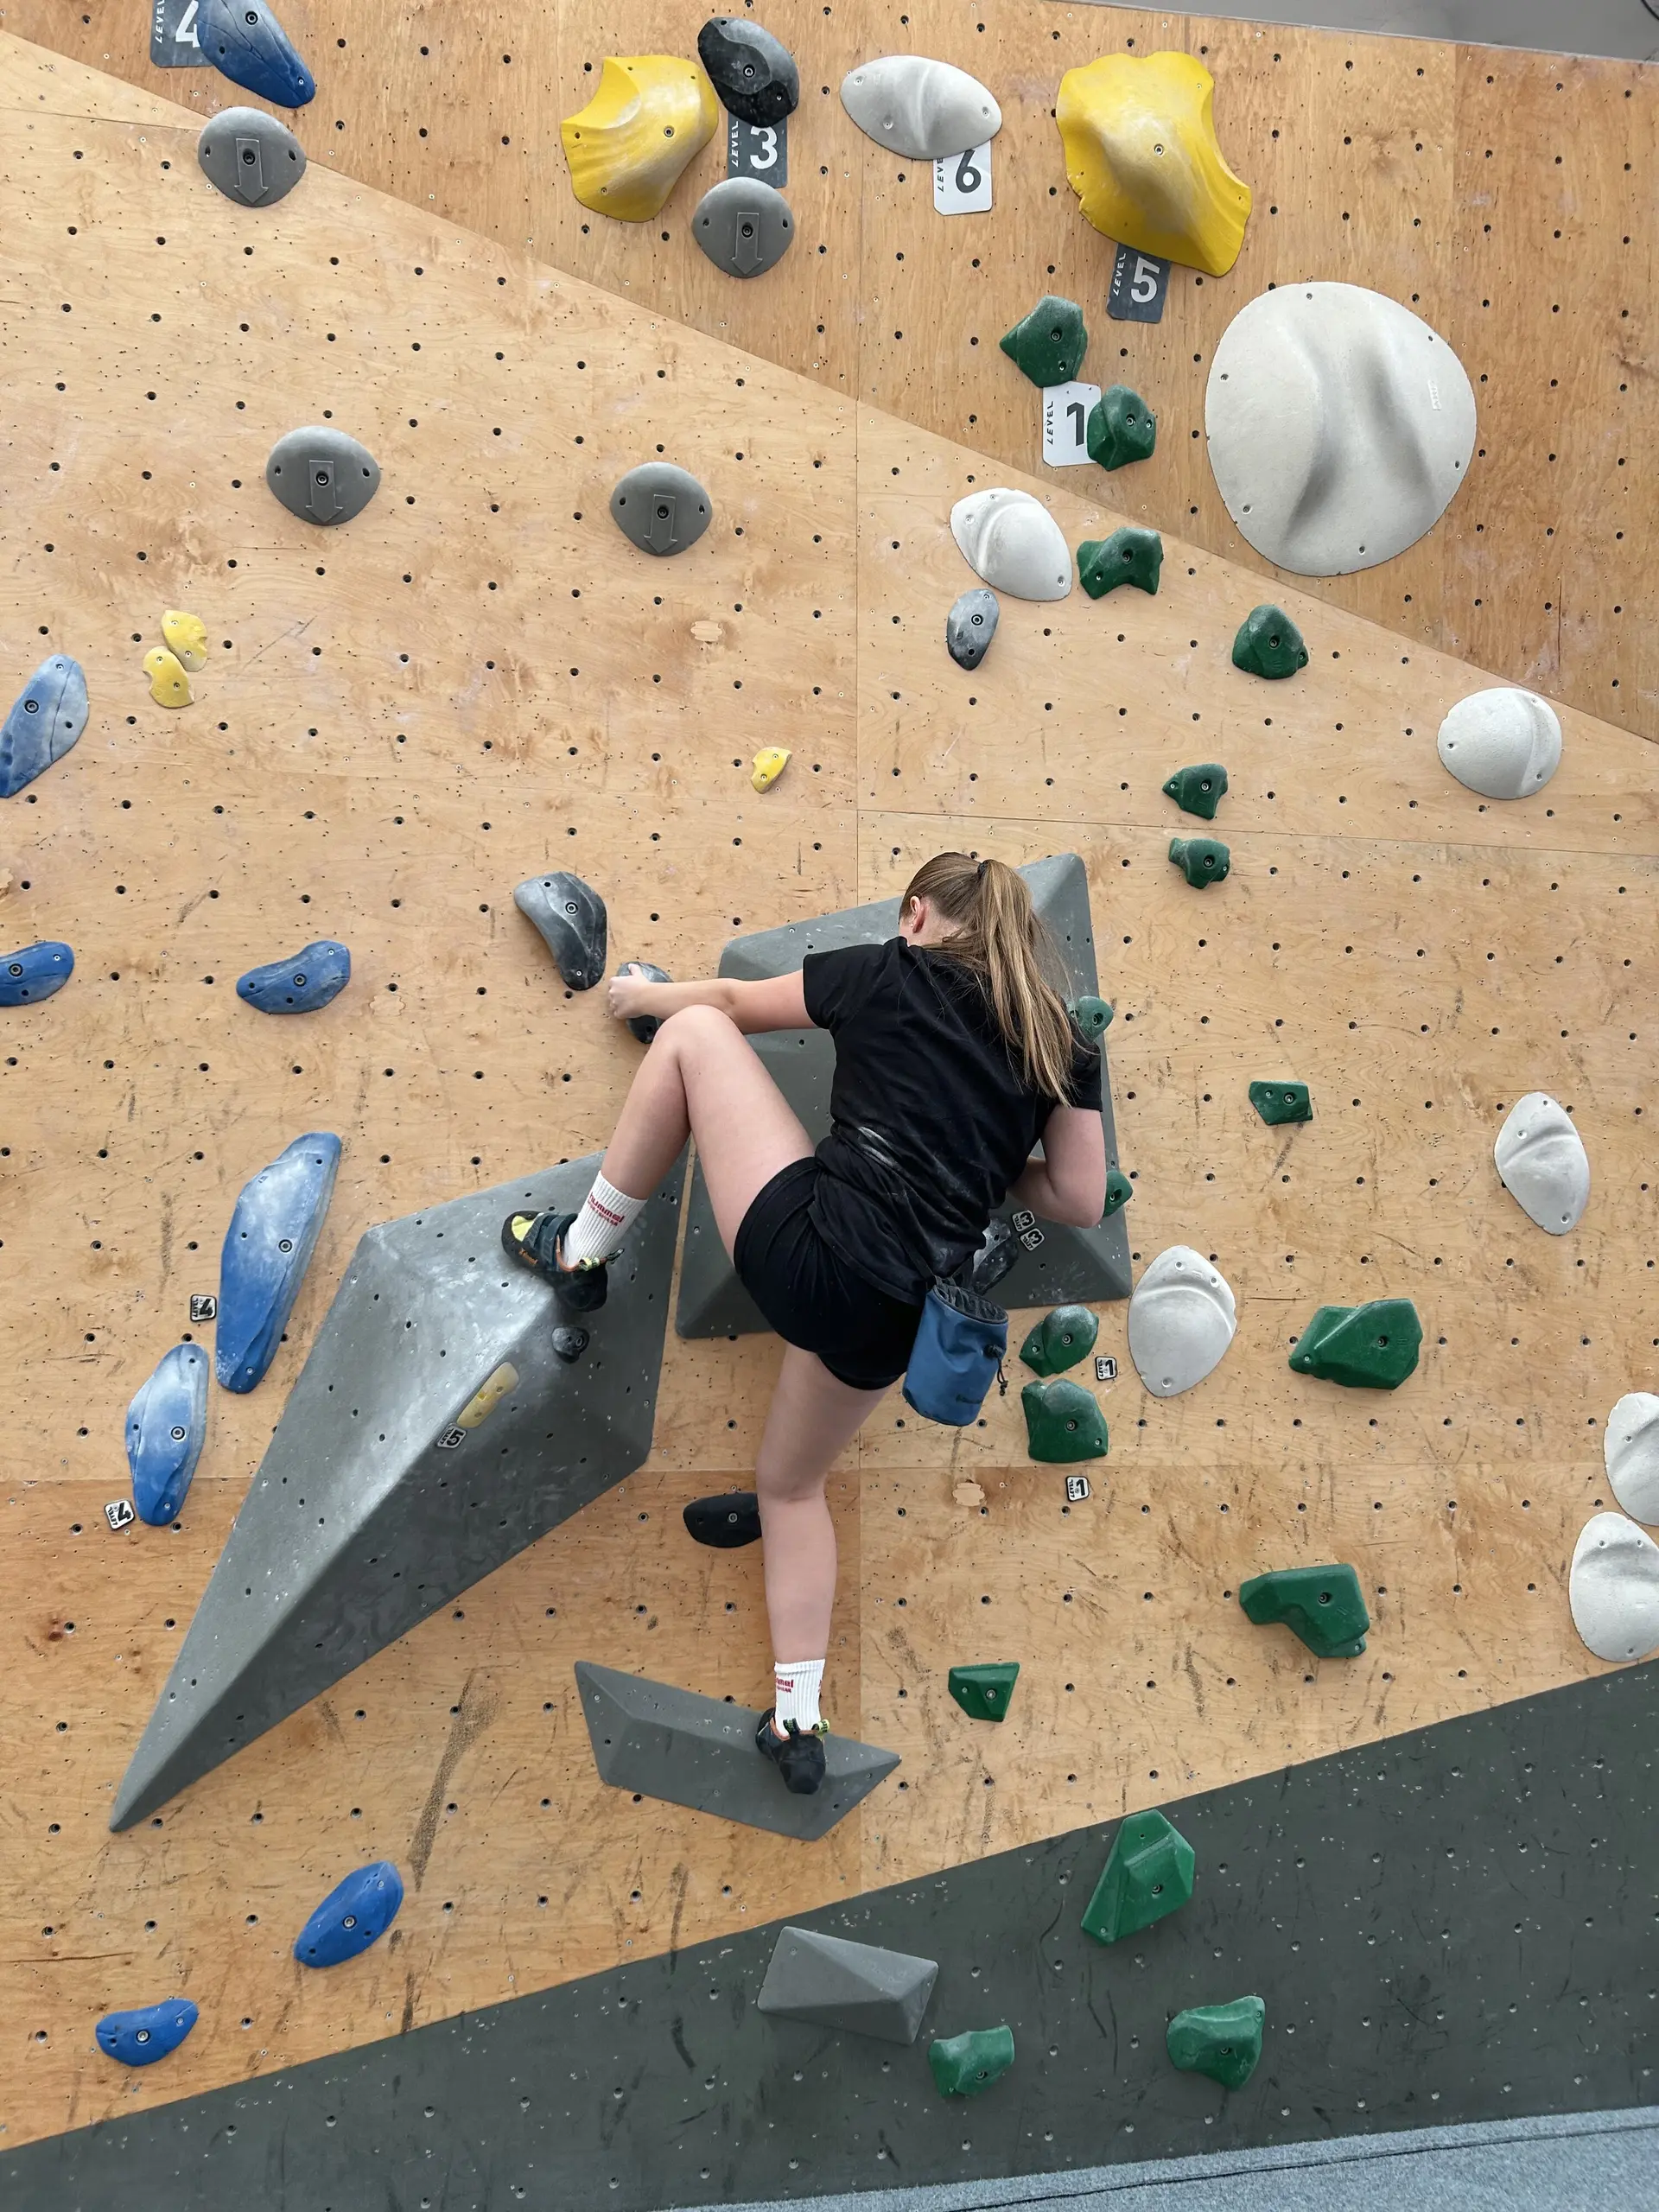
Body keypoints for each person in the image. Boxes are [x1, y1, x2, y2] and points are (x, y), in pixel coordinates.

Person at [502, 854, 1107, 1796]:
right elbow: (1076, 1194)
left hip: (810, 1249)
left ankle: (579, 1253)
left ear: (917, 914)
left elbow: (736, 1007)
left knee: (694, 1036)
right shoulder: (1062, 1044)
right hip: (900, 1321)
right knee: (790, 1490)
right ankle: (797, 1719)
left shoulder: (891, 968)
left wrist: (637, 1000)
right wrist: (987, 1173)